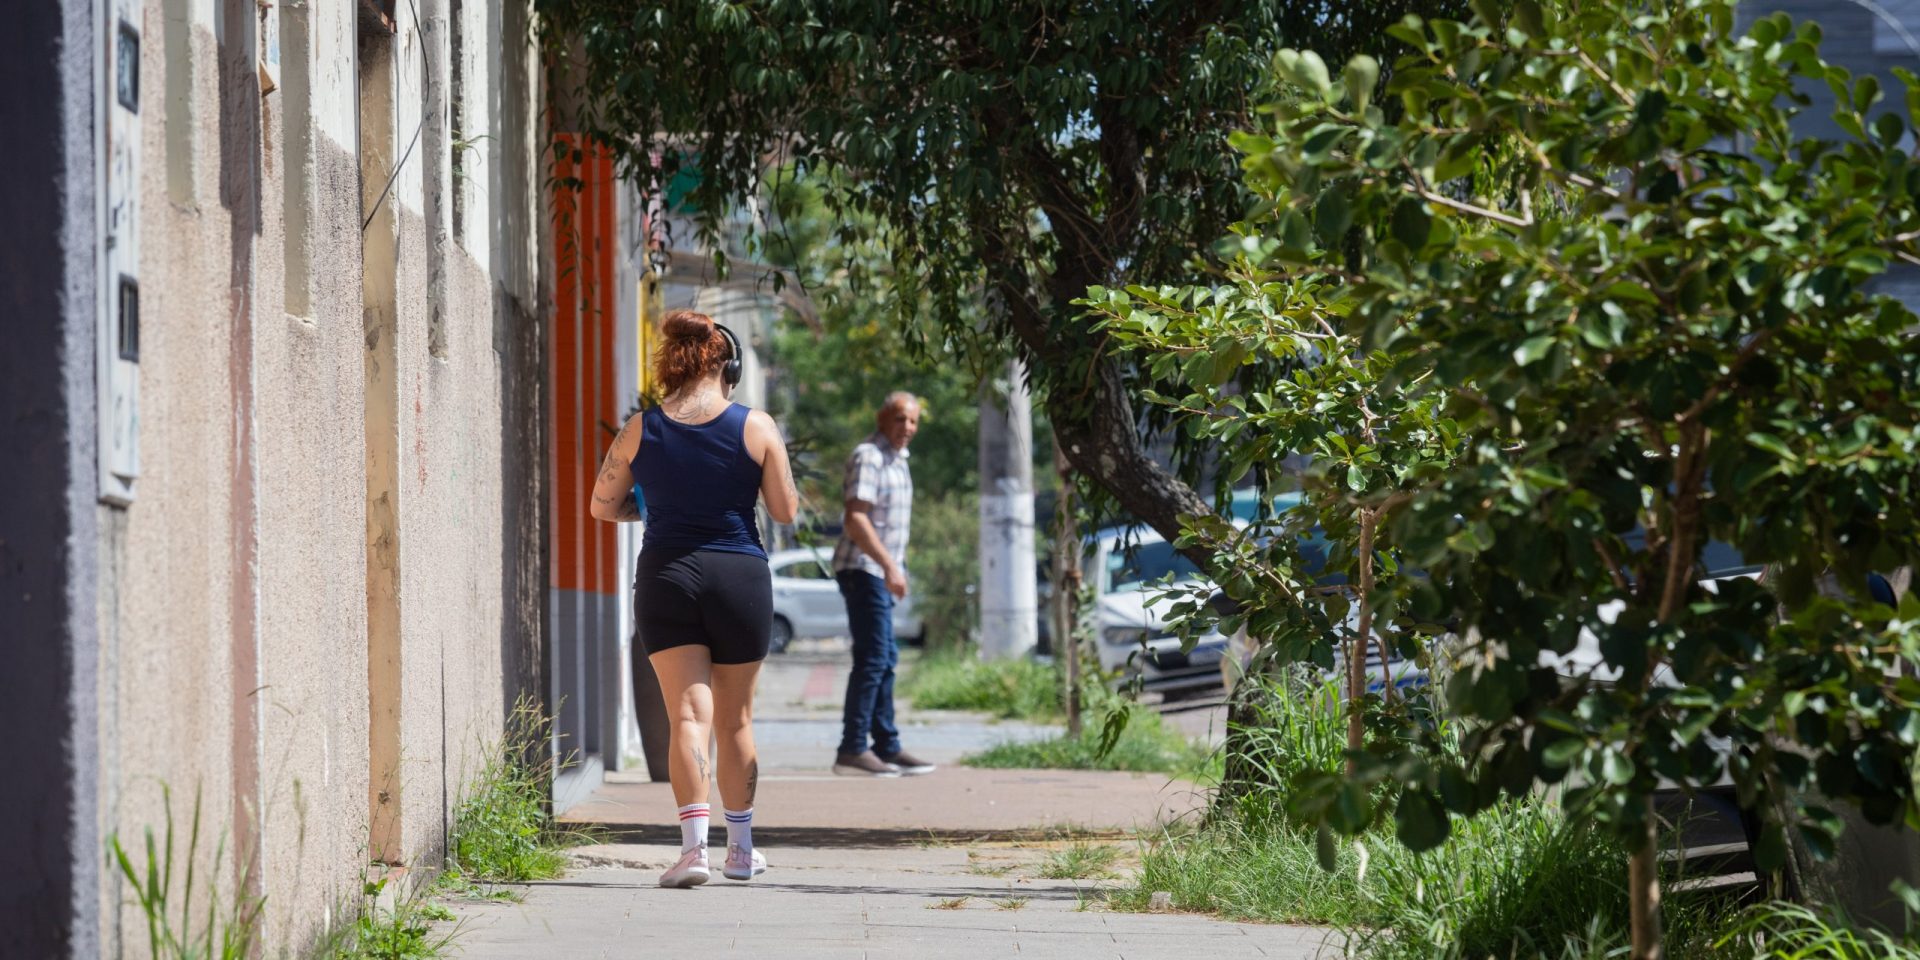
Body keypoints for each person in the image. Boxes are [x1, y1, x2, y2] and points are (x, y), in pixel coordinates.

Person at [591, 310, 798, 889]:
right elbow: (784, 511)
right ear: (727, 367)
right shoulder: (756, 426)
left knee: (687, 716)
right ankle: (740, 849)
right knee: (736, 720)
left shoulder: (639, 429)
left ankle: (691, 852)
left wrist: (651, 506)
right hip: (740, 578)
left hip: (667, 576)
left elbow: (602, 507)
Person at [830, 392, 936, 777]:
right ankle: (853, 748)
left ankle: (887, 746)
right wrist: (890, 566)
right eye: (899, 420)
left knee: (886, 657)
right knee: (873, 658)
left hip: (881, 572)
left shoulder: (897, 459)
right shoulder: (869, 456)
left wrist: (896, 568)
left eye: (912, 422)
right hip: (863, 569)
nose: (906, 428)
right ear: (881, 418)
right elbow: (856, 519)